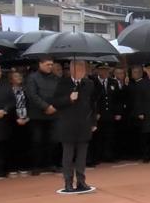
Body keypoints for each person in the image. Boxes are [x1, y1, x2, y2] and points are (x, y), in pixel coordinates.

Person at [51, 60, 98, 192]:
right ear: (72, 69)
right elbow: (55, 102)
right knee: (68, 155)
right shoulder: (63, 83)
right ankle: (68, 182)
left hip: (84, 124)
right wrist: (69, 99)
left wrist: (93, 122)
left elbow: (93, 105)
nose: (82, 71)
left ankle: (81, 181)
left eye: (83, 68)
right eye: (79, 68)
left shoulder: (89, 84)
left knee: (82, 155)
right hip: (68, 124)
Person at [25, 58, 60, 175]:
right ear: (40, 64)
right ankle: (36, 165)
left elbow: (60, 93)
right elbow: (32, 95)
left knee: (52, 140)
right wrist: (45, 106)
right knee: (37, 140)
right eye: (47, 64)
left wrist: (54, 106)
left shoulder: (56, 78)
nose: (50, 66)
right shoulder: (32, 77)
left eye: (51, 64)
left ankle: (49, 163)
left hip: (53, 114)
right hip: (37, 115)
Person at [91, 63, 124, 165]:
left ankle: (108, 155)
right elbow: (92, 99)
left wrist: (118, 112)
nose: (104, 72)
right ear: (97, 71)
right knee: (97, 137)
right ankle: (97, 156)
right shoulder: (93, 82)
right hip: (98, 115)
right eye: (102, 70)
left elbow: (118, 99)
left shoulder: (113, 82)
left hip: (110, 113)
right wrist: (95, 112)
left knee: (109, 136)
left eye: (106, 70)